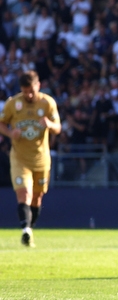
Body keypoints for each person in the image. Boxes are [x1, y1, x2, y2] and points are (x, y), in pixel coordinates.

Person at [0, 70, 61, 247]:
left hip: (41, 158)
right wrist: (11, 133)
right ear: (21, 89)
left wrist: (49, 124)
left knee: (37, 197)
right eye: (26, 91)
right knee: (24, 193)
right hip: (19, 158)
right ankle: (25, 230)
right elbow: (1, 123)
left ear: (38, 85)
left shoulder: (48, 103)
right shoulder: (13, 104)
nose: (29, 94)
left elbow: (58, 127)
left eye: (32, 90)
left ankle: (29, 230)